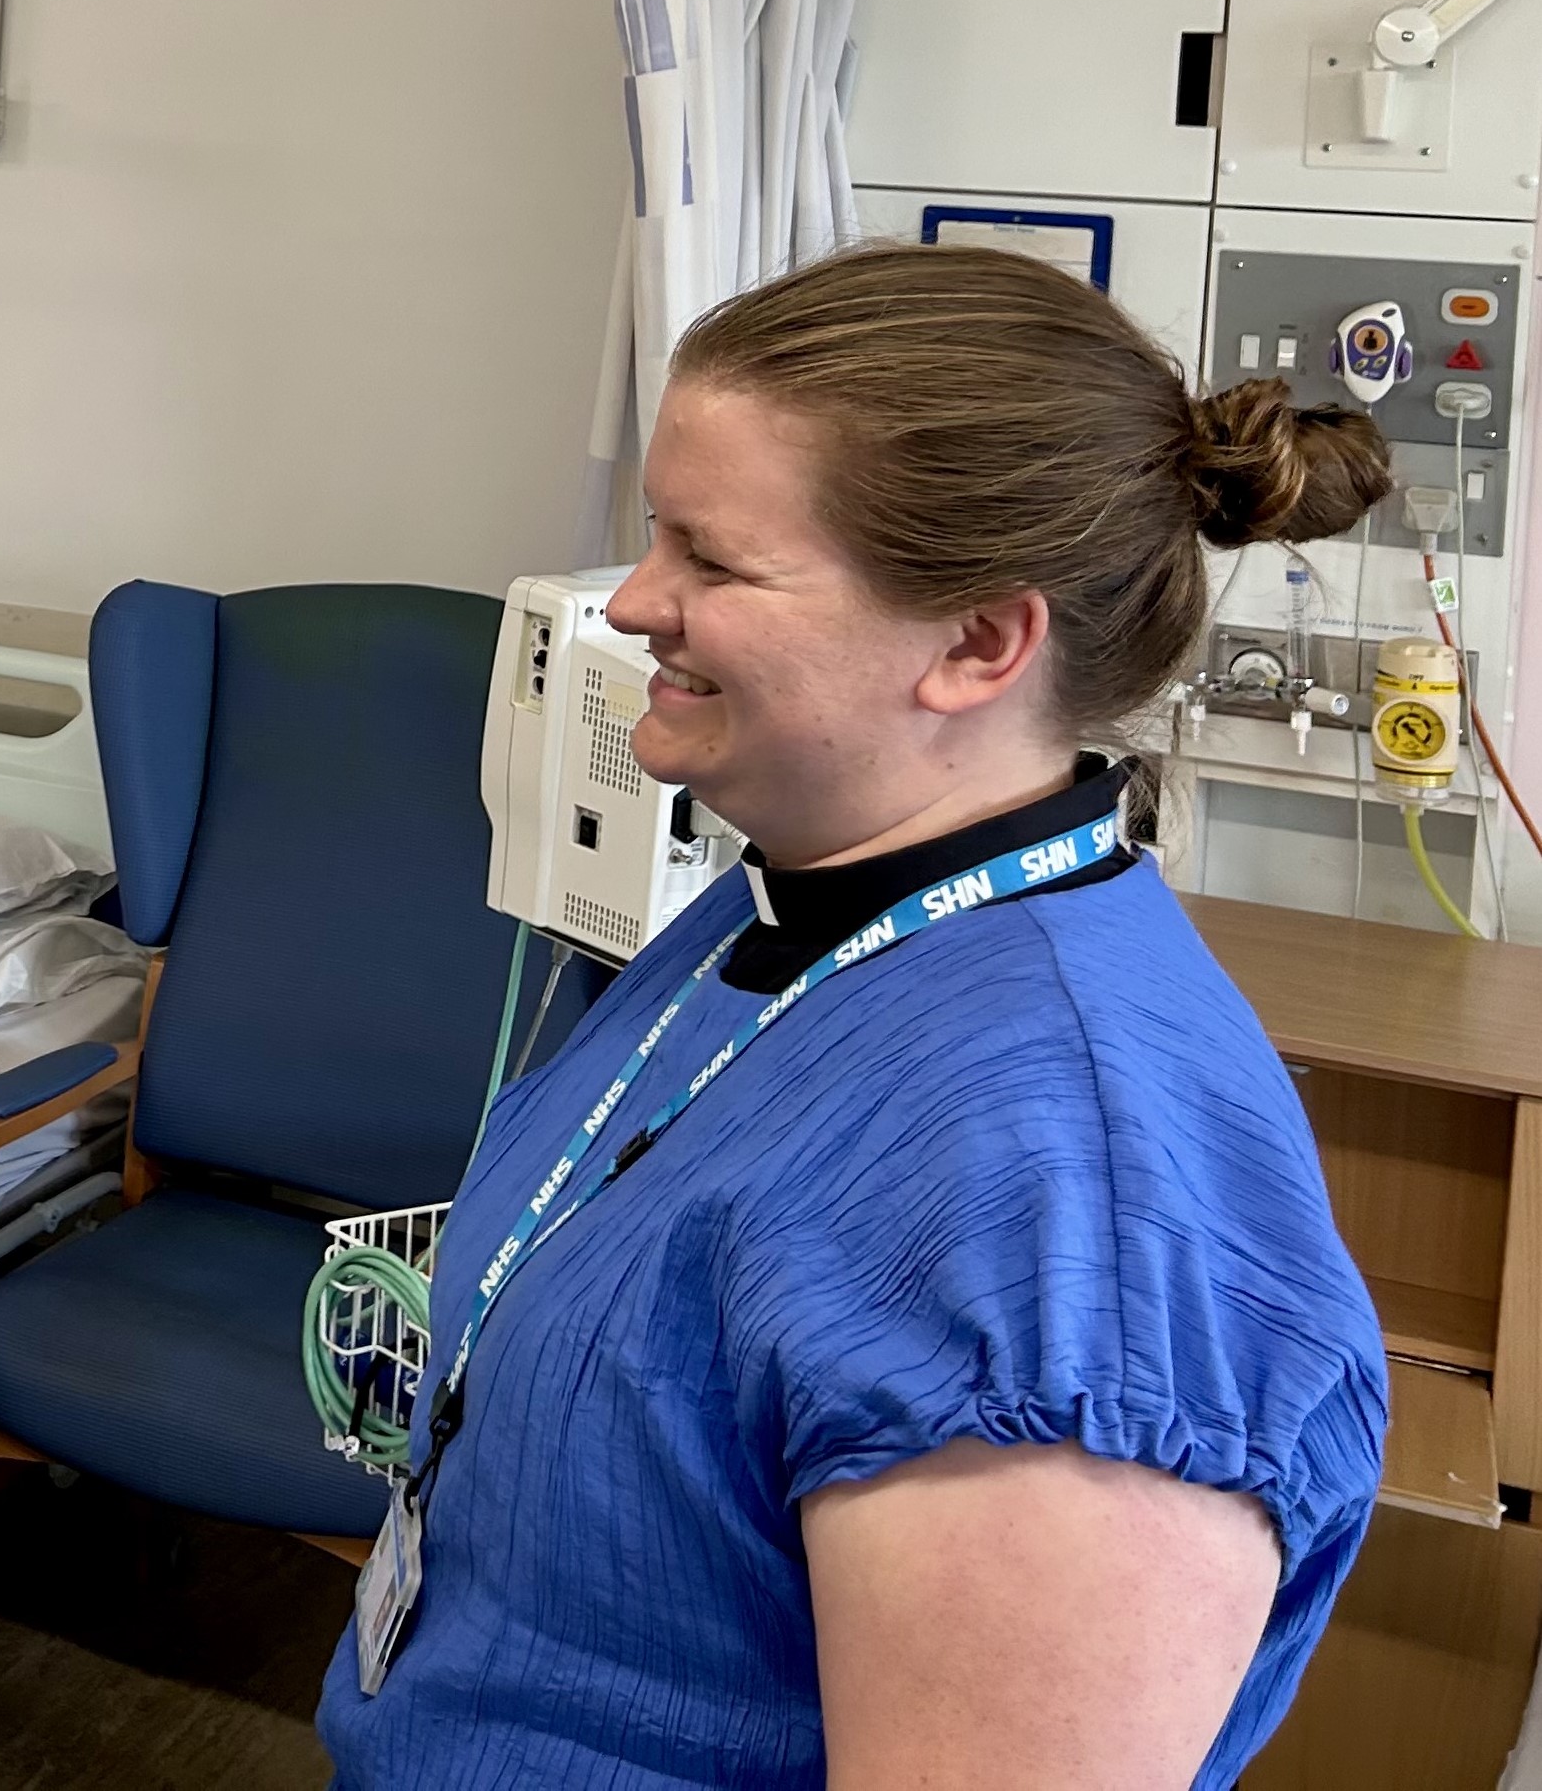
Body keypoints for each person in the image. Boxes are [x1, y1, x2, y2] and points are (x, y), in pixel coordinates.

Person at [318, 245, 1396, 1789]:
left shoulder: (1069, 1224)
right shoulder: (795, 905)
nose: (634, 606)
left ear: (977, 642)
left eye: (713, 559)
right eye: (653, 537)